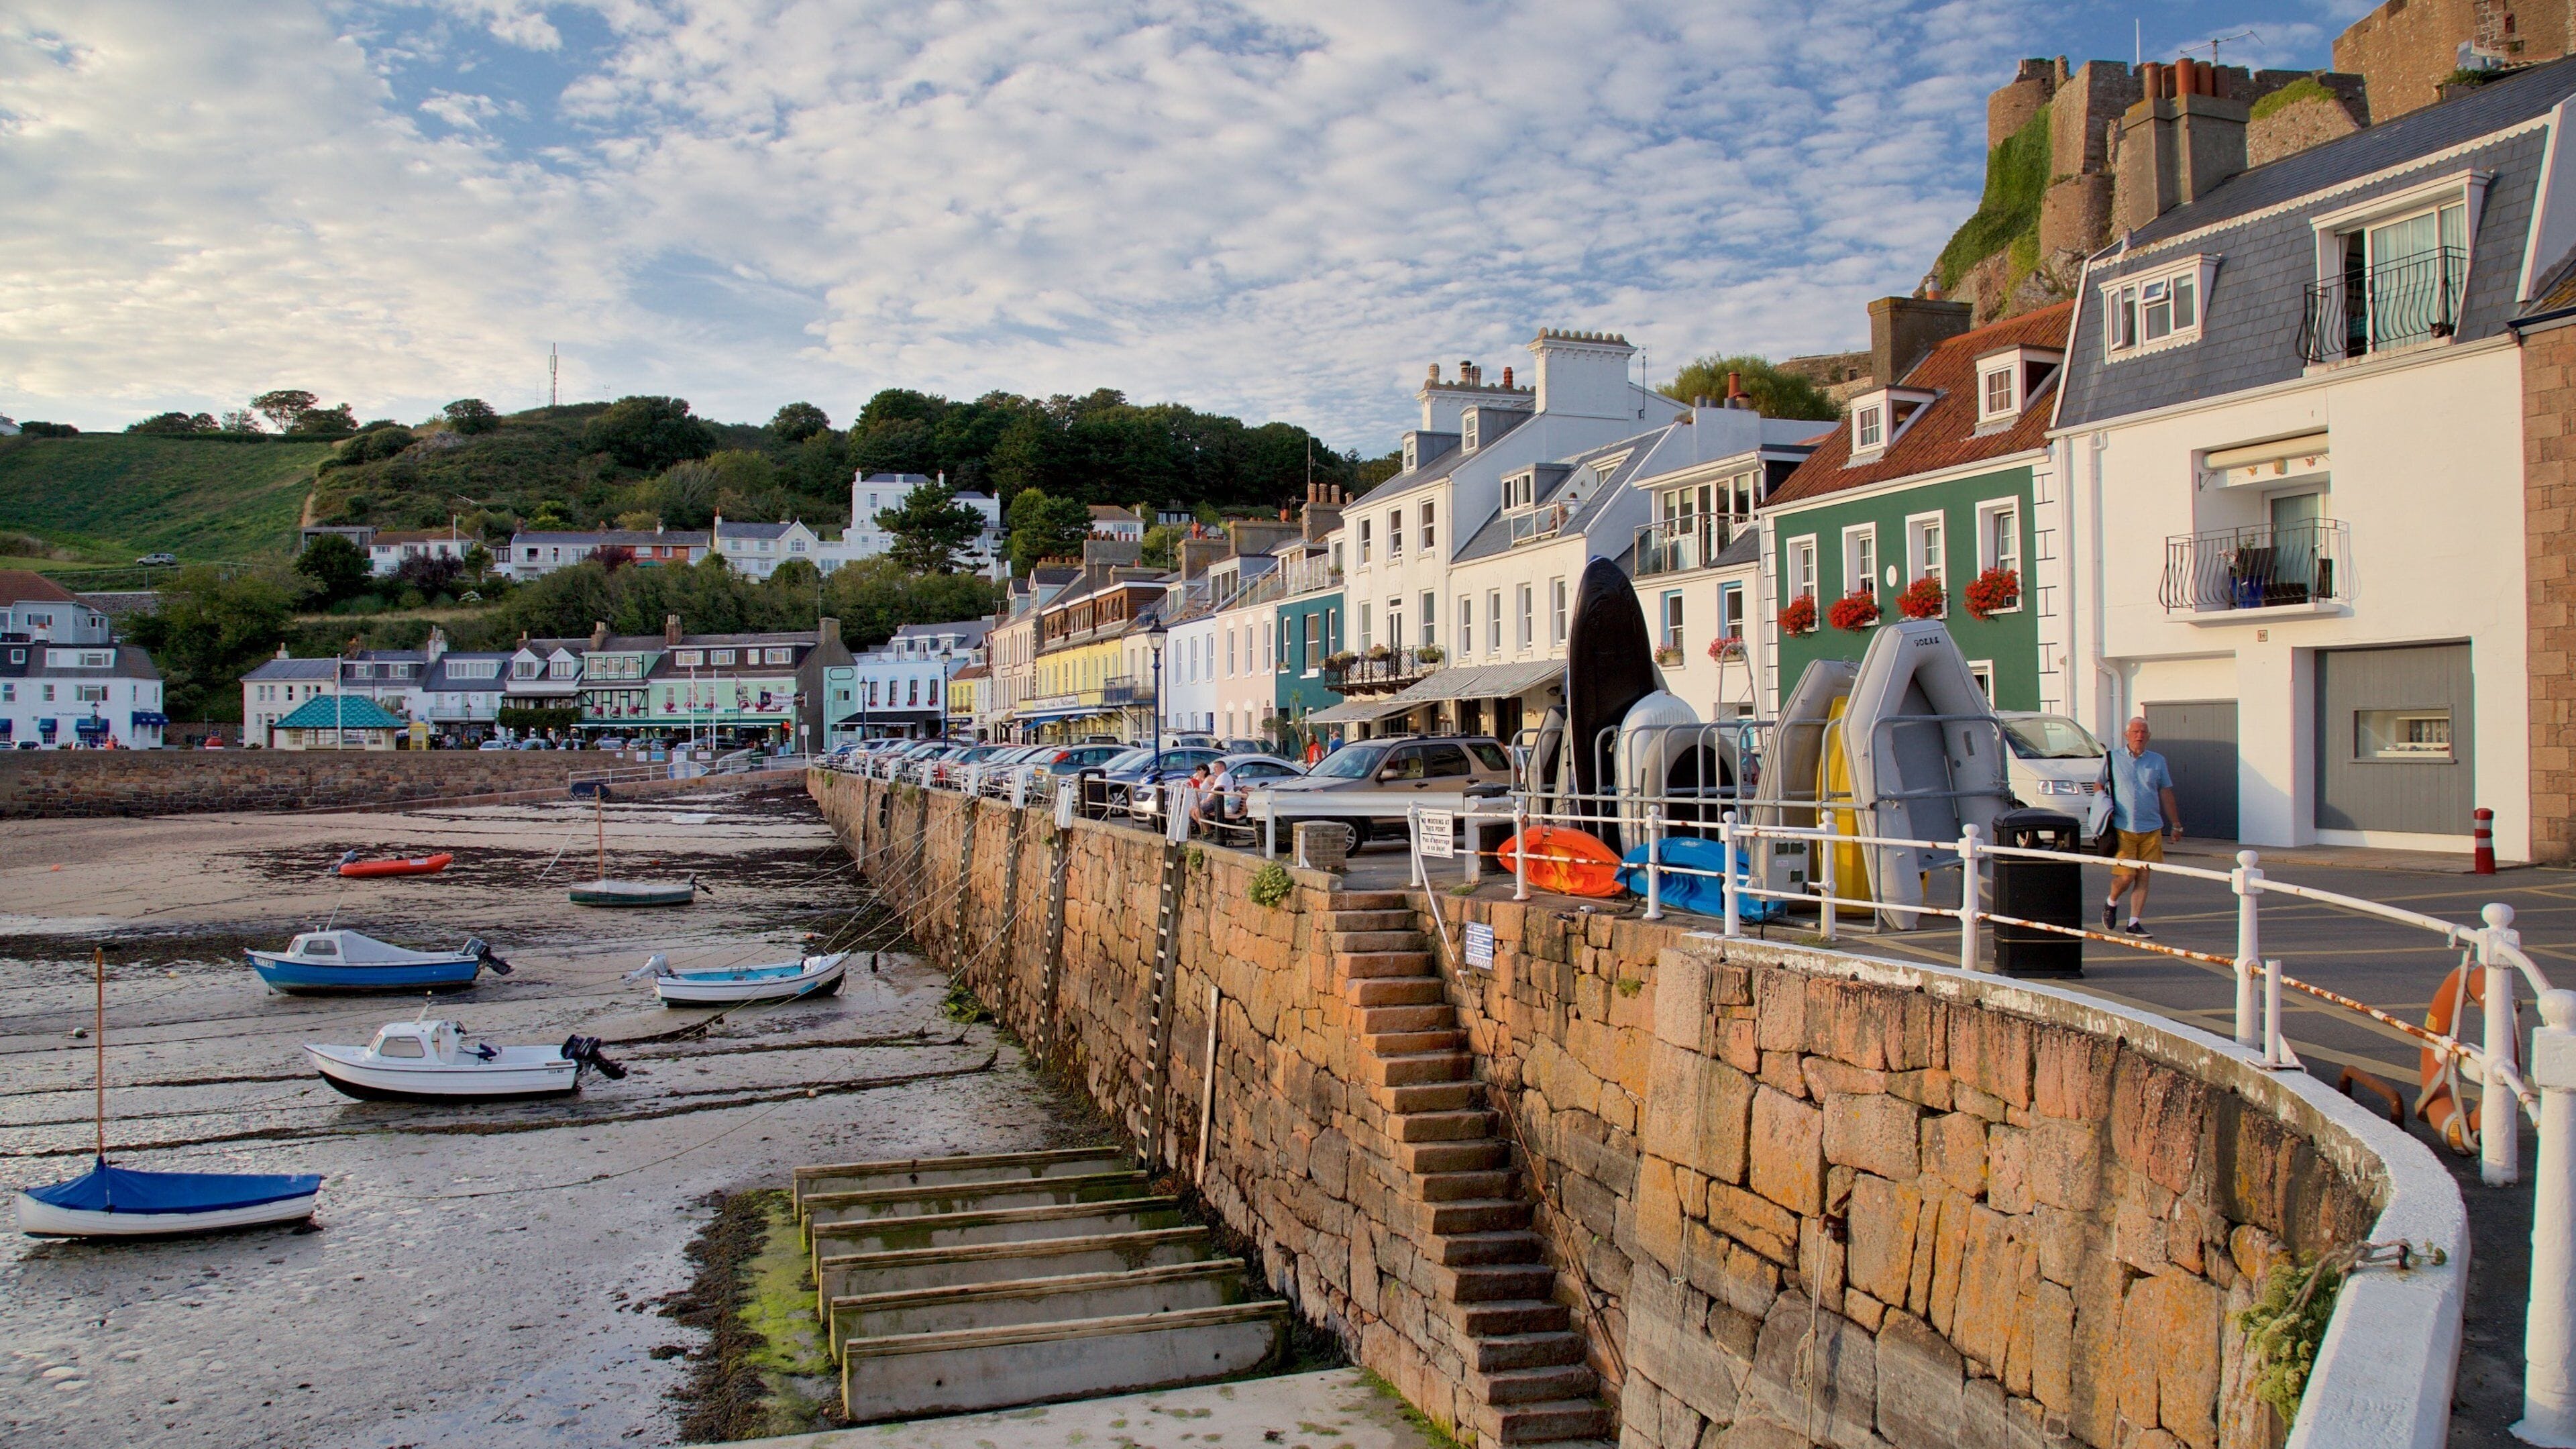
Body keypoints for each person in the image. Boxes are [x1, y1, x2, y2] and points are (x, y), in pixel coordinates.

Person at [2102, 717, 2183, 938]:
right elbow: (2099, 783)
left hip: (2151, 828)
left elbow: (2166, 791)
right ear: (2127, 735)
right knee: (2127, 876)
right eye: (2136, 731)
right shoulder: (2112, 758)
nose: (2140, 735)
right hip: (2123, 827)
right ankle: (2111, 901)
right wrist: (2102, 806)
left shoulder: (2157, 761)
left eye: (2144, 732)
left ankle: (2134, 922)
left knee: (2143, 876)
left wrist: (2176, 824)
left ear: (2149, 736)